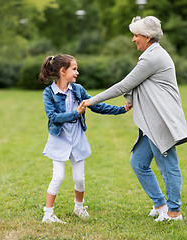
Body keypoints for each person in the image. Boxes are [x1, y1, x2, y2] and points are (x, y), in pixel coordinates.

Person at [82, 16, 187, 222]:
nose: (133, 39)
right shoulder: (152, 54)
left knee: (168, 166)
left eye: (136, 35)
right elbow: (142, 84)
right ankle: (161, 205)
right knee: (138, 162)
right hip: (151, 120)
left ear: (148, 37)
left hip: (161, 119)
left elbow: (124, 85)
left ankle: (174, 213)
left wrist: (91, 101)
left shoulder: (153, 57)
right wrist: (132, 99)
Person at [39, 54, 130, 223]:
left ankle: (79, 208)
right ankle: (48, 214)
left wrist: (121, 109)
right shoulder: (49, 93)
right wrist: (76, 113)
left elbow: (96, 105)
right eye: (74, 69)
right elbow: (53, 117)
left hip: (77, 139)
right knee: (58, 176)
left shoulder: (78, 90)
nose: (77, 72)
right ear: (62, 71)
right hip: (59, 139)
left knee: (79, 178)